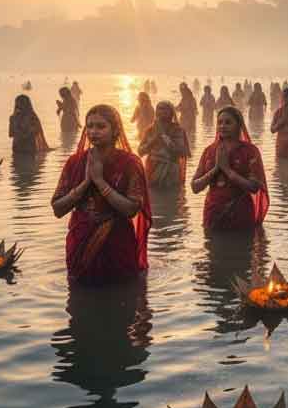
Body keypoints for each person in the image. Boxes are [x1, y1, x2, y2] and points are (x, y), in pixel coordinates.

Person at [51, 104, 151, 285]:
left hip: (117, 242)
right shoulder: (75, 162)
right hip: (80, 239)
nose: (93, 131)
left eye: (101, 126)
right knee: (80, 290)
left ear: (115, 130)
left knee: (120, 290)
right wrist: (85, 184)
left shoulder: (130, 163)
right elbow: (58, 209)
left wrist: (100, 182)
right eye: (89, 126)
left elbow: (131, 209)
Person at [191, 106, 269, 231]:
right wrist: (216, 169)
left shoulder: (250, 151)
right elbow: (195, 187)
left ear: (239, 125)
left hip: (240, 214)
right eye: (220, 122)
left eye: (228, 122)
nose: (222, 126)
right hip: (213, 214)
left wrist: (228, 171)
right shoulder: (209, 151)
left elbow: (254, 187)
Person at [138, 101, 190, 188]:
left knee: (170, 193)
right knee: (152, 193)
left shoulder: (178, 130)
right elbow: (140, 151)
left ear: (171, 113)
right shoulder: (150, 130)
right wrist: (153, 141)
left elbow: (181, 152)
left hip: (171, 171)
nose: (162, 111)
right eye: (159, 109)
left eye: (165, 109)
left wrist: (164, 137)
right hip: (152, 170)